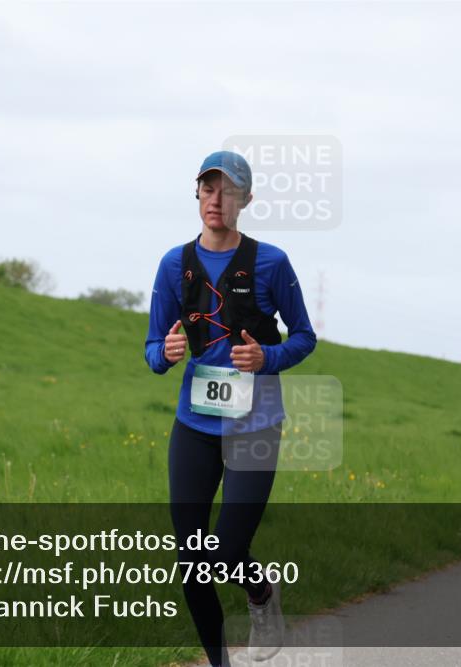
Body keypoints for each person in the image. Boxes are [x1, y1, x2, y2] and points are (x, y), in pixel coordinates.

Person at [145, 150, 317, 666]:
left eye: (227, 190)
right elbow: (153, 349)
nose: (215, 199)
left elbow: (305, 337)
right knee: (191, 561)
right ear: (196, 193)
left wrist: (269, 357)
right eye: (207, 188)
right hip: (194, 425)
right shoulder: (174, 264)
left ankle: (261, 594)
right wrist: (166, 354)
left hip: (255, 423)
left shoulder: (272, 263)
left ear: (246, 199)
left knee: (222, 554)